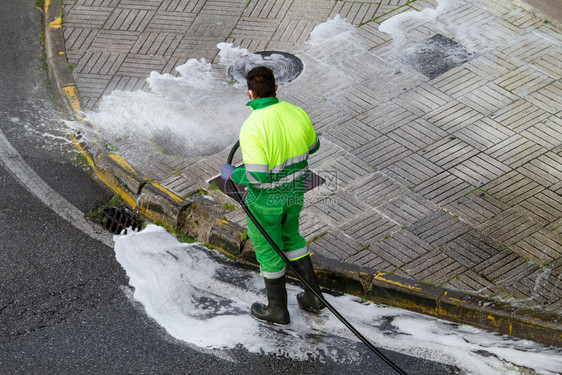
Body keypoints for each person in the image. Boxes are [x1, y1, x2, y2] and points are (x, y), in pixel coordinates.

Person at [220, 66, 325, 325]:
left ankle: (277, 310)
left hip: (265, 201)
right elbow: (314, 146)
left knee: (269, 249)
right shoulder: (296, 112)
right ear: (276, 88)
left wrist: (232, 174)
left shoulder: (252, 127)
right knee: (291, 237)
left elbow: (257, 177)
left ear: (249, 95)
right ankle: (314, 298)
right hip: (294, 193)